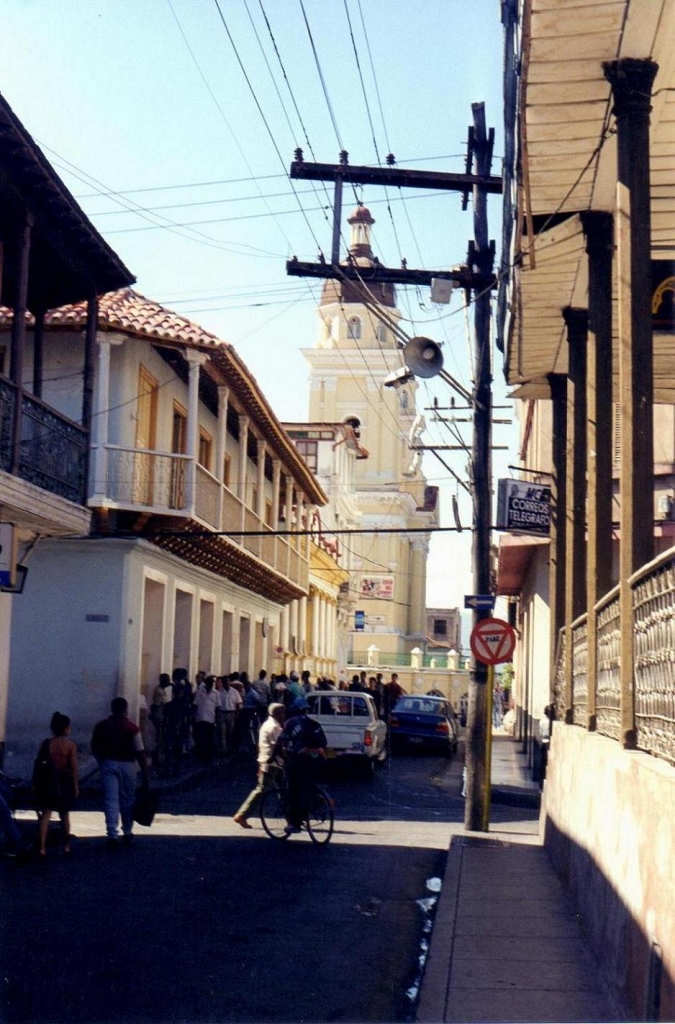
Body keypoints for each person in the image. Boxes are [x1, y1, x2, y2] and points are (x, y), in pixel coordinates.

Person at [91, 697, 148, 845]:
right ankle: (127, 831)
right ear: (126, 709)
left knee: (111, 799)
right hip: (128, 765)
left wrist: (101, 761)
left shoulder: (102, 726)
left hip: (108, 763)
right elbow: (140, 752)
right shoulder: (132, 728)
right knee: (127, 799)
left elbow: (95, 747)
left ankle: (112, 833)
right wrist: (145, 774)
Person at [273, 697, 327, 834]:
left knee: (293, 790)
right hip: (317, 762)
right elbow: (323, 742)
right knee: (308, 786)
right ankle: (312, 805)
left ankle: (295, 823)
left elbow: (281, 742)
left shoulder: (291, 722)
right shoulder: (313, 723)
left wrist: (274, 756)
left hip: (299, 761)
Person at [233, 703, 286, 829]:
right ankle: (242, 814)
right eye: (282, 712)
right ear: (276, 714)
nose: (284, 715)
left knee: (283, 790)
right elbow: (278, 747)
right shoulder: (275, 727)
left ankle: (290, 818)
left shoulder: (267, 724)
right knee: (262, 790)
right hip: (273, 763)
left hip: (266, 761)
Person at [34, 712, 79, 857]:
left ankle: (42, 847)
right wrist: (76, 787)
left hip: (48, 782)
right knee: (64, 815)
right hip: (64, 782)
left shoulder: (46, 743)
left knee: (46, 815)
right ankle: (66, 846)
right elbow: (73, 768)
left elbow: (38, 764)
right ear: (66, 728)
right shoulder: (70, 745)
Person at [193, 676, 218, 764]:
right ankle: (202, 757)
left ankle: (209, 757)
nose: (211, 684)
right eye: (210, 682)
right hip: (200, 718)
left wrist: (216, 720)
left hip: (210, 719)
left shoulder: (216, 693)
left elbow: (218, 707)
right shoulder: (200, 692)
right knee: (201, 739)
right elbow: (195, 704)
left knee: (209, 739)